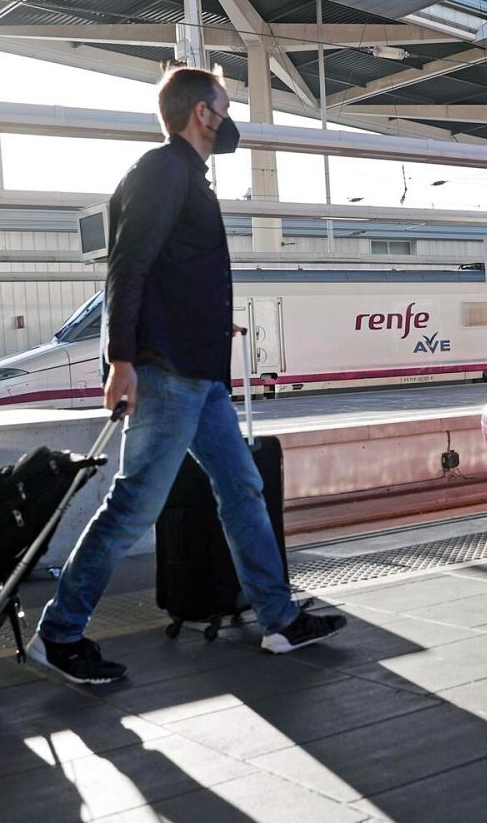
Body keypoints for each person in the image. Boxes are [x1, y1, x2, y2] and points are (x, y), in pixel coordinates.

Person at [27, 67, 346, 684]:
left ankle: (279, 619)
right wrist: (121, 359)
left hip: (198, 374)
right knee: (133, 506)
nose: (229, 121)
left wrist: (206, 328)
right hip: (165, 373)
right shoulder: (163, 171)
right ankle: (59, 634)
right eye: (224, 107)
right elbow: (128, 265)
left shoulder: (185, 177)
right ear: (204, 112)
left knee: (242, 489)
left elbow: (174, 274)